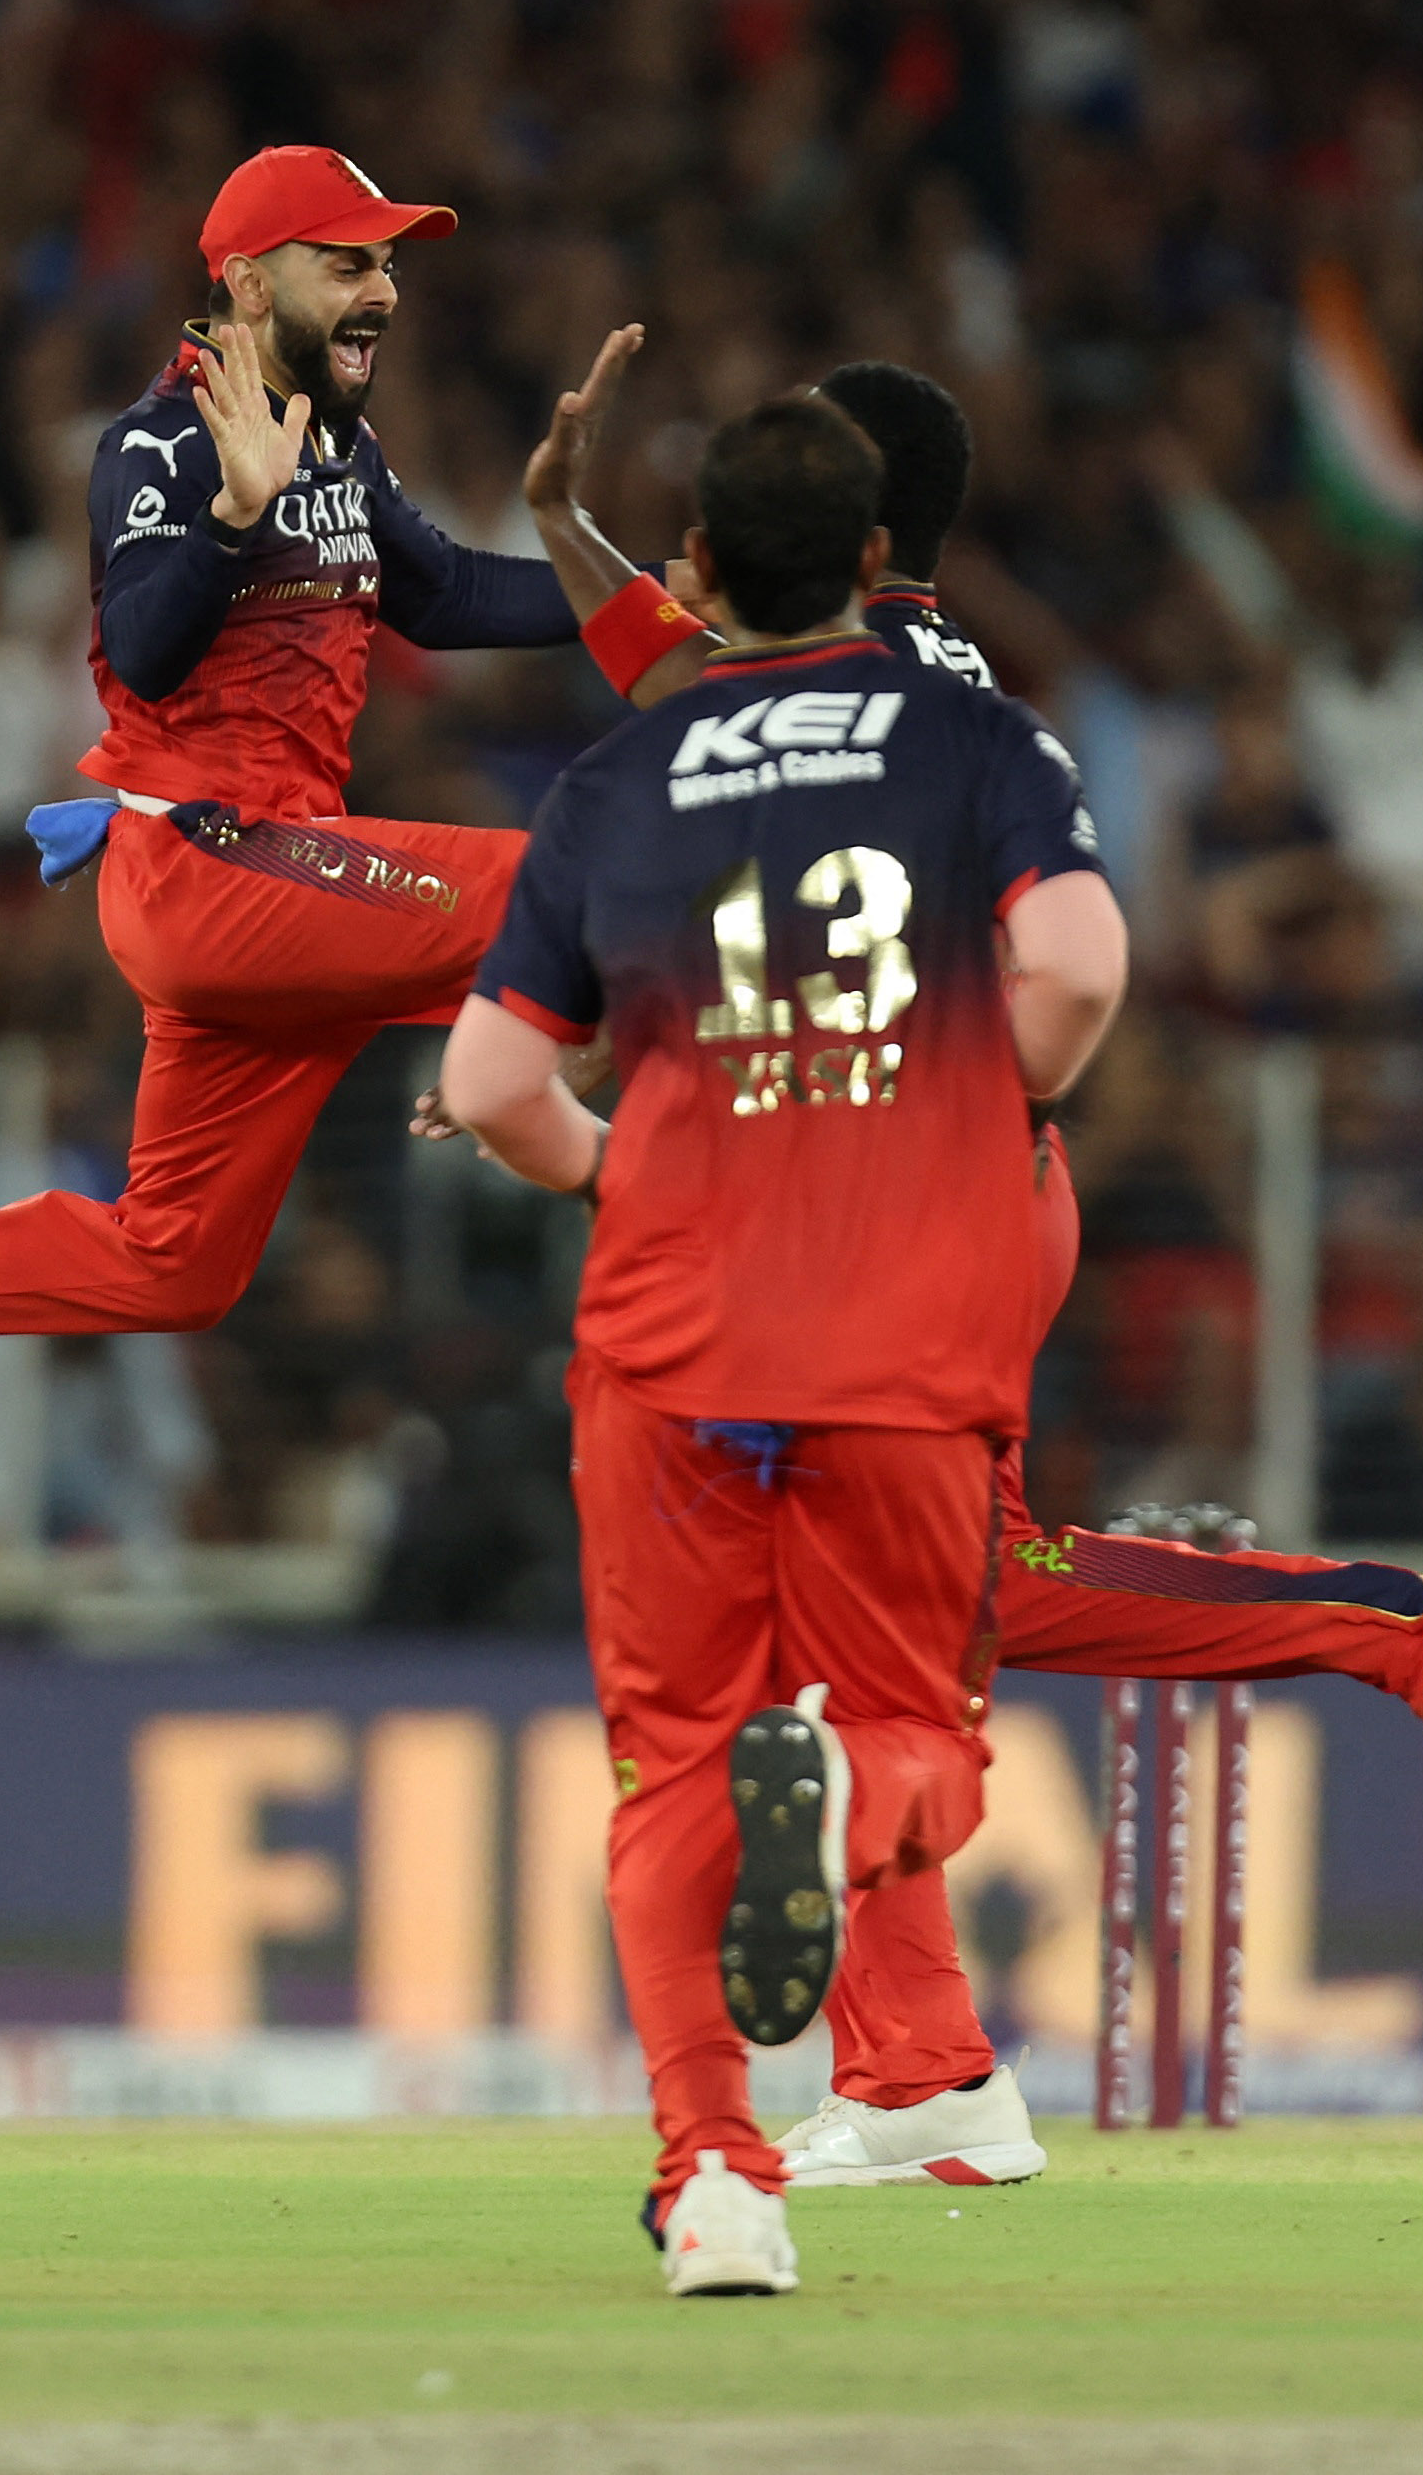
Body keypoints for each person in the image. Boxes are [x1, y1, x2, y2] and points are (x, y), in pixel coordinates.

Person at [491, 350, 1423, 2191]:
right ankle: (922, 2067)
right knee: (883, 1627)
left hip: (908, 1192)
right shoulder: (916, 672)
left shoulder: (849, 684)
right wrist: (565, 534)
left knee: (941, 1594)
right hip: (937, 1178)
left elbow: (677, 700)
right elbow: (681, 677)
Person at [436, 392, 1124, 2296]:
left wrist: (607, 1170)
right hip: (907, 1328)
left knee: (670, 1770)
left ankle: (717, 2175)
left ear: (703, 574)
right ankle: (838, 1792)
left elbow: (490, 1076)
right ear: (886, 566)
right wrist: (985, 1092)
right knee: (917, 1740)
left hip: (668, 1336)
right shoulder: (979, 737)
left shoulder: (621, 777)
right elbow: (1070, 967)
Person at [0, 147, 588, 1481]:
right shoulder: (160, 440)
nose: (381, 291)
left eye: (386, 263)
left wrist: (666, 594)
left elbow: (443, 594)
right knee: (586, 880)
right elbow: (142, 651)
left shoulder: (337, 439)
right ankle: (849, 1054)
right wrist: (230, 513)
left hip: (281, 893)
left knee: (173, 1265)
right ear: (251, 284)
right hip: (211, 867)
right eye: (349, 262)